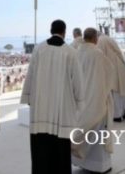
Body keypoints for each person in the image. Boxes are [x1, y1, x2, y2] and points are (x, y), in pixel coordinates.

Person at [21, 19, 84, 174]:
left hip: (40, 109)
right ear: (64, 32)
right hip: (61, 111)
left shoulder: (38, 49)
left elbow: (30, 75)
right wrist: (79, 103)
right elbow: (78, 81)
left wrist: (28, 98)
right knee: (60, 153)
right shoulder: (70, 52)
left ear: (51, 30)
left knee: (41, 152)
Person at [71, 28, 114, 174]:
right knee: (98, 135)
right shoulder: (98, 54)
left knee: (85, 130)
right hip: (97, 98)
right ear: (95, 38)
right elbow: (109, 75)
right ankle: (100, 166)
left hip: (81, 101)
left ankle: (84, 163)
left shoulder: (76, 53)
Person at [97, 34, 125, 121]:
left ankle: (117, 115)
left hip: (111, 66)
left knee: (115, 91)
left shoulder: (100, 40)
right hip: (120, 63)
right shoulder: (109, 39)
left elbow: (100, 56)